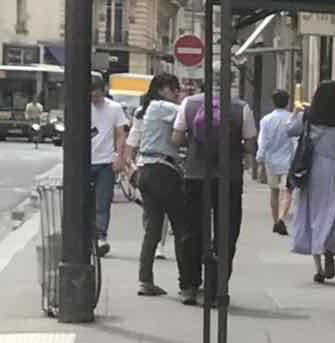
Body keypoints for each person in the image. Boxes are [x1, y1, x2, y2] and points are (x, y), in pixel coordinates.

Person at [171, 83, 257, 298]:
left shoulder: (189, 104)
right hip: (229, 178)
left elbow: (177, 138)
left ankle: (189, 286)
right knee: (226, 233)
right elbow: (250, 146)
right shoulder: (241, 107)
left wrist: (195, 143)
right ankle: (217, 287)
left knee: (191, 231)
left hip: (195, 175)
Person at [129, 74, 195, 300]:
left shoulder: (148, 109)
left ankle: (145, 280)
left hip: (147, 170)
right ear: (160, 89)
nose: (176, 94)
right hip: (163, 171)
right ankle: (187, 286)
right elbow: (189, 114)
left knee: (153, 229)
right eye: (173, 89)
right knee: (181, 227)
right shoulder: (160, 106)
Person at [290, 80, 335, 282]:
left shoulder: (308, 118)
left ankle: (318, 268)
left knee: (312, 214)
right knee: (332, 214)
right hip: (334, 170)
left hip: (312, 169)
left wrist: (295, 112)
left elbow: (288, 130)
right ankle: (329, 250)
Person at [87, 73, 128, 256]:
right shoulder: (83, 107)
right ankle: (87, 237)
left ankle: (100, 237)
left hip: (105, 162)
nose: (95, 99)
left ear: (104, 91)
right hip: (85, 162)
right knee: (85, 202)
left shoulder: (115, 108)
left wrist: (119, 155)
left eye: (98, 95)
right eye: (92, 96)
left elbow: (120, 133)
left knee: (102, 202)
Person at [256, 88, 303, 234]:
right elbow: (296, 140)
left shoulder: (266, 120)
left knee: (274, 192)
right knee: (287, 190)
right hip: (288, 160)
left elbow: (262, 141)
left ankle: (276, 219)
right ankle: (282, 218)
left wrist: (260, 159)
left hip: (271, 161)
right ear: (287, 102)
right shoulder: (292, 118)